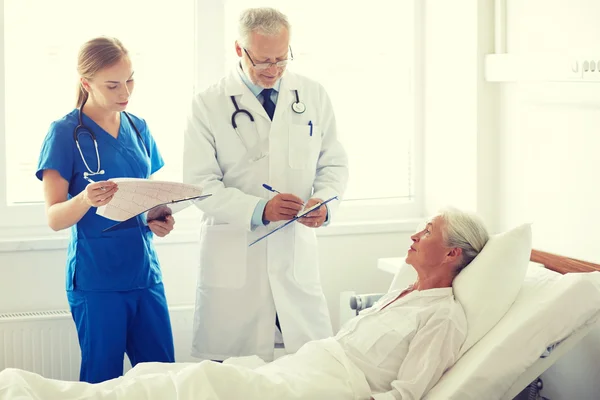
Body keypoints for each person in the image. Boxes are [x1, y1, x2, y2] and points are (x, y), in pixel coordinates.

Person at [0, 207, 489, 399]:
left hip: (326, 388)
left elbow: (406, 395)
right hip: (305, 367)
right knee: (168, 377)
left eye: (426, 232)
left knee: (199, 383)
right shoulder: (403, 293)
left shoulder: (442, 316)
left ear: (451, 254)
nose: (413, 234)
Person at [183, 7, 349, 361]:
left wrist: (324, 203)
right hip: (235, 254)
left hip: (294, 252)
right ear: (239, 50)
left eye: (281, 59)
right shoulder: (207, 104)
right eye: (263, 62)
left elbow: (333, 163)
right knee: (232, 376)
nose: (274, 70)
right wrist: (258, 209)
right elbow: (199, 183)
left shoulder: (312, 95)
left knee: (310, 368)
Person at [34, 36, 176, 383]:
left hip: (144, 275)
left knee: (164, 379)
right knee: (103, 382)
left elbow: (146, 196)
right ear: (86, 83)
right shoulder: (65, 132)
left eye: (130, 79)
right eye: (112, 84)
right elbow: (54, 218)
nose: (125, 91)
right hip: (97, 280)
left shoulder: (138, 128)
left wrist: (159, 218)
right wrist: (84, 198)